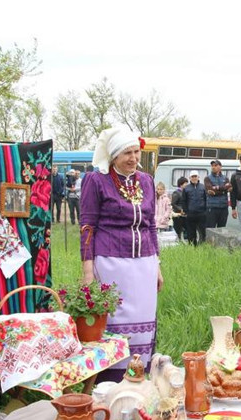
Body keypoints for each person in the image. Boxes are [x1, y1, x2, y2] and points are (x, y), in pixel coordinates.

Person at [81, 125, 163, 381]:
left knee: (144, 318)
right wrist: (87, 270)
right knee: (114, 319)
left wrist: (157, 265)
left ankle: (140, 374)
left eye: (136, 152)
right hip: (111, 262)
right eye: (127, 153)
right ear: (114, 156)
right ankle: (111, 379)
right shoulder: (97, 181)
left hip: (144, 263)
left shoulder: (146, 181)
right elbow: (87, 226)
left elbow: (150, 225)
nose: (133, 158)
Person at [204, 159, 231, 228]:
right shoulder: (207, 178)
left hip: (223, 207)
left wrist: (217, 188)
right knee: (210, 228)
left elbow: (228, 187)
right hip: (212, 207)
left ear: (220, 167)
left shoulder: (225, 178)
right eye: (212, 166)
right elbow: (210, 190)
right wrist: (223, 190)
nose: (213, 167)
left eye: (215, 165)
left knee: (222, 228)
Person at [182, 170, 207, 245]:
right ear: (190, 178)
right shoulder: (186, 188)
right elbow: (184, 201)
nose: (194, 178)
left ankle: (202, 246)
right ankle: (192, 247)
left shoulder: (203, 187)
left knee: (202, 231)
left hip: (201, 214)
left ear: (198, 177)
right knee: (191, 232)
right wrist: (186, 212)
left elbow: (206, 199)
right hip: (191, 214)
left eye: (195, 176)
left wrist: (205, 211)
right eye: (192, 177)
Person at [171, 176, 188, 242]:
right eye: (185, 183)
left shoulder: (185, 192)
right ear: (181, 184)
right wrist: (181, 209)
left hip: (184, 214)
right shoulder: (176, 193)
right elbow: (174, 204)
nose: (187, 184)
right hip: (178, 215)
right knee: (178, 230)